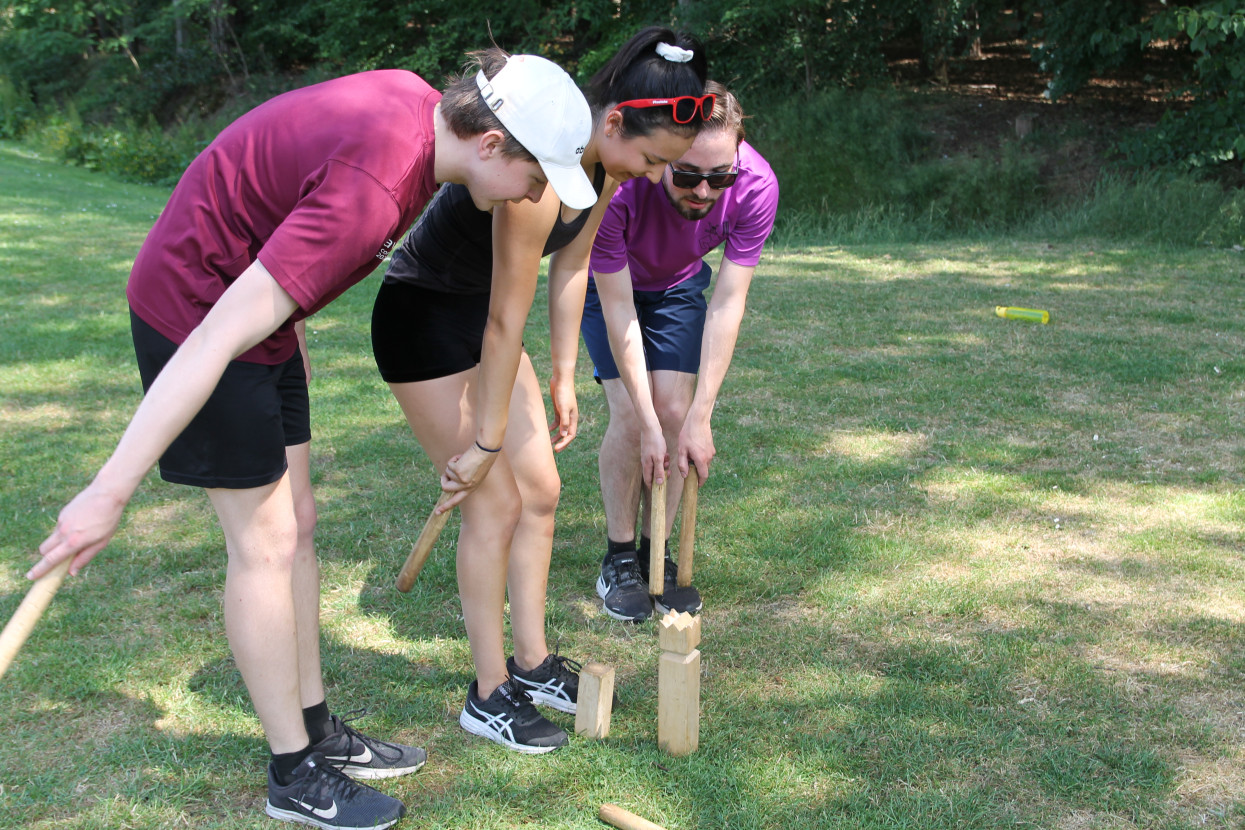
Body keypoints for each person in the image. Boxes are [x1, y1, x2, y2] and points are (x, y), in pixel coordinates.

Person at [28, 54, 594, 830]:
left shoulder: (413, 106)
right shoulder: (375, 190)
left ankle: (317, 731)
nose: (536, 197)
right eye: (536, 176)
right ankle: (292, 772)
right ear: (491, 143)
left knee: (297, 523)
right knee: (262, 545)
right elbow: (210, 339)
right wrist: (109, 490)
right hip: (197, 312)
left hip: (258, 316)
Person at [370, 28, 710, 753]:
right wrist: (487, 438)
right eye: (651, 160)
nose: (652, 177)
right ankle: (488, 694)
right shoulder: (538, 174)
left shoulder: (604, 171)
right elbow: (501, 319)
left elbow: (572, 269)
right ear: (612, 122)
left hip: (481, 319)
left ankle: (529, 663)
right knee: (494, 499)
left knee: (542, 493)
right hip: (424, 318)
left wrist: (561, 372)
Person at [582, 81, 780, 623]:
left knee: (674, 413)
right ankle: (620, 558)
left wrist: (700, 416)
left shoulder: (756, 186)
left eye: (720, 176)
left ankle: (656, 554)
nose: (705, 191)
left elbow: (728, 303)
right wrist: (645, 420)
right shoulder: (620, 187)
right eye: (688, 174)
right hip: (610, 292)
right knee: (631, 415)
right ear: (666, 155)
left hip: (678, 287)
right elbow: (618, 307)